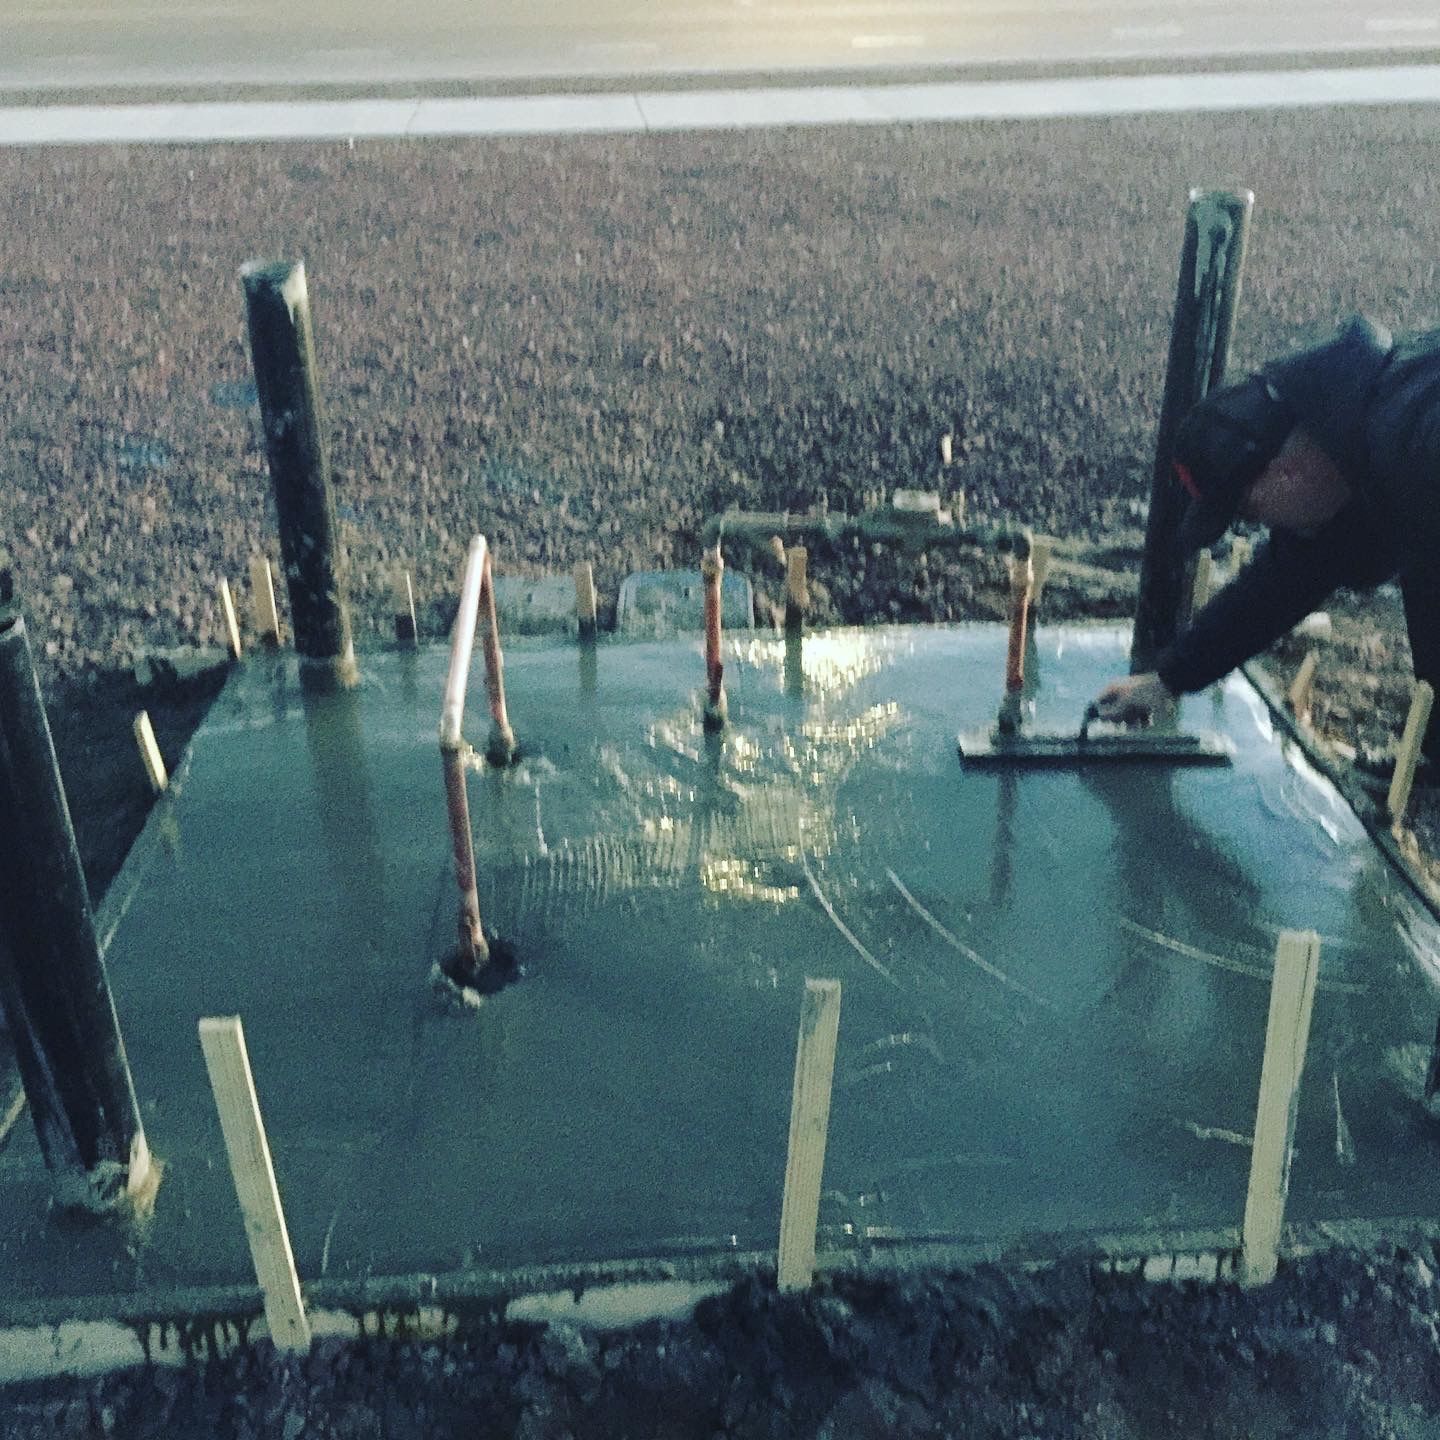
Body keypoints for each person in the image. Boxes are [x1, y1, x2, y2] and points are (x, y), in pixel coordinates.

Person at [1092, 314, 1440, 781]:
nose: (1256, 526)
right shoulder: (1348, 456)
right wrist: (1168, 679)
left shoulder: (1417, 439)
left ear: (1285, 472)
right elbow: (1282, 583)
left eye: (1249, 512)